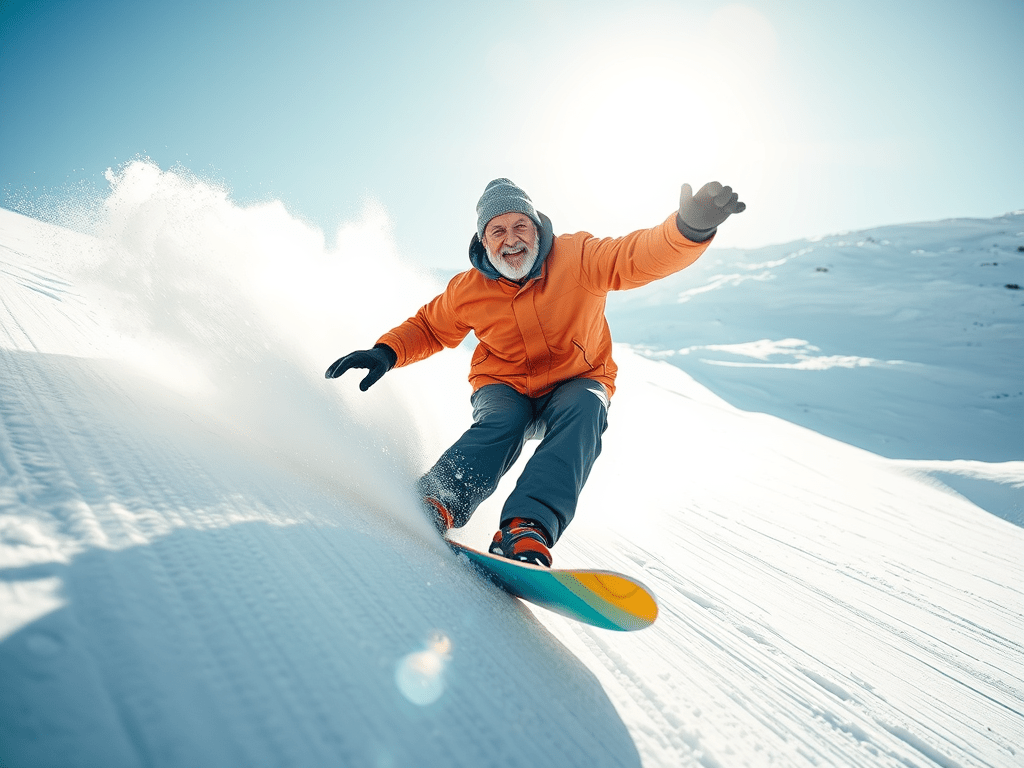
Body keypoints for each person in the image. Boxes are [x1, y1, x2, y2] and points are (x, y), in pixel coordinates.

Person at [326, 178, 745, 567]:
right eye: (498, 230)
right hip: (504, 384)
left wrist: (687, 229)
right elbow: (429, 327)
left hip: (577, 378)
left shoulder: (579, 257)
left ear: (537, 228)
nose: (512, 239)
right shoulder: (468, 289)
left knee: (586, 408)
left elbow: (637, 255)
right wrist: (385, 351)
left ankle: (525, 528)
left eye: (520, 225)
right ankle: (441, 497)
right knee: (504, 421)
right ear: (482, 240)